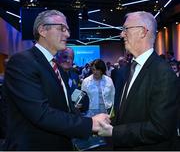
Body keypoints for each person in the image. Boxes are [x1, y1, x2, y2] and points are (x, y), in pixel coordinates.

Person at [2, 10, 110, 151]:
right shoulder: (22, 62)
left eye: (68, 30)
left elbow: (65, 109)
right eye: (61, 28)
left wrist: (90, 120)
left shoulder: (57, 68)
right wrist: (90, 124)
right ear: (43, 30)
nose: (68, 34)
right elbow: (41, 113)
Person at [98, 11, 179, 150]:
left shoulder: (163, 74)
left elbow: (160, 128)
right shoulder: (124, 71)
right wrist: (110, 122)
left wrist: (114, 132)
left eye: (125, 29)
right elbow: (129, 112)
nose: (121, 34)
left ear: (142, 32)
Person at [56, 47, 89, 113]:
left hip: (73, 117)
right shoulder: (53, 74)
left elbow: (75, 93)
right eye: (65, 57)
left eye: (71, 58)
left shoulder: (75, 76)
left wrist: (80, 104)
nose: (68, 60)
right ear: (58, 58)